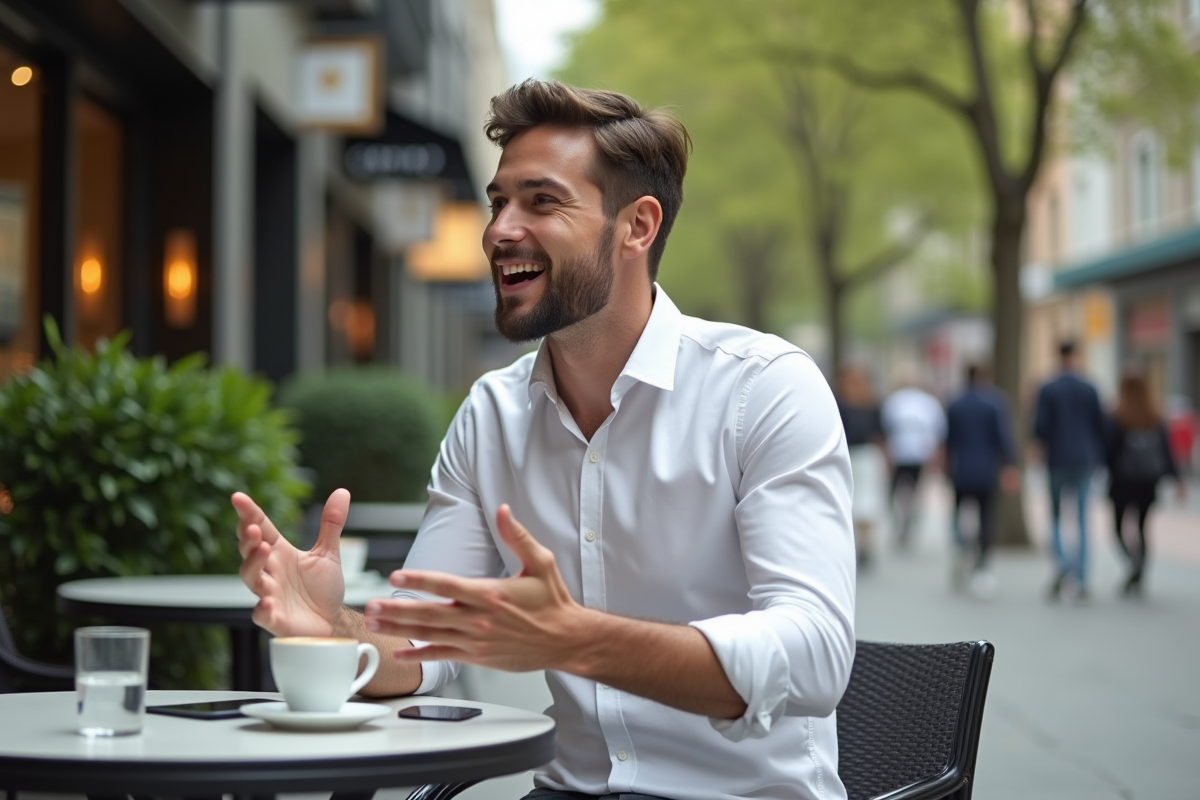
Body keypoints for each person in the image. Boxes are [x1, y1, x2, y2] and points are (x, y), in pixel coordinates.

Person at [233, 80, 856, 800]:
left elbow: (815, 656)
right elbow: (424, 646)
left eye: (542, 201)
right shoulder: (490, 415)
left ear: (637, 227)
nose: (500, 230)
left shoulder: (764, 390)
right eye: (498, 202)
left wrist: (575, 636)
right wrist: (333, 627)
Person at [1032, 340, 1106, 601]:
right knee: (1083, 519)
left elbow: (1040, 426)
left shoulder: (1048, 388)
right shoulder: (1089, 387)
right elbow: (1101, 425)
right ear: (1076, 355)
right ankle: (1082, 577)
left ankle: (1063, 562)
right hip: (1085, 460)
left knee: (1055, 516)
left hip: (1057, 459)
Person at [1104, 372, 1186, 597]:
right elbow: (1167, 451)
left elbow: (1108, 450)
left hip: (1122, 481)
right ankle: (1140, 571)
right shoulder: (1155, 415)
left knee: (1118, 529)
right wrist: (1177, 479)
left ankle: (1134, 565)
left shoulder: (1116, 416)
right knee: (1142, 528)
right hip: (1148, 482)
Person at [942, 364, 1020, 599]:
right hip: (986, 470)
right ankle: (982, 566)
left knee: (958, 513)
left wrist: (945, 465)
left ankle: (959, 550)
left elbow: (948, 439)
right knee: (986, 518)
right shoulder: (995, 403)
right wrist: (1009, 466)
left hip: (961, 469)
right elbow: (1002, 438)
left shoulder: (955, 403)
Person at [880, 375, 946, 548]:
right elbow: (938, 432)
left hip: (902, 452)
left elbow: (885, 430)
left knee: (896, 491)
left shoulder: (895, 401)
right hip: (917, 453)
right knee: (914, 492)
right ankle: (907, 523)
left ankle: (904, 523)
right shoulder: (928, 403)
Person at [835, 365, 887, 568]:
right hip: (847, 455)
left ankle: (865, 544)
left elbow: (879, 433)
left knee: (867, 502)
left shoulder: (871, 404)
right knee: (849, 500)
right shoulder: (839, 404)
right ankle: (852, 543)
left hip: (865, 456)